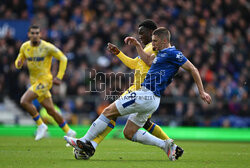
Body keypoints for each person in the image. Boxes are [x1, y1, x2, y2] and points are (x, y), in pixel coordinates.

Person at [65, 27, 212, 161]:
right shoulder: (160, 54)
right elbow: (147, 59)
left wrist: (201, 91)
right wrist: (137, 45)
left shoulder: (174, 53)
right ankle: (165, 145)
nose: (153, 44)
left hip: (145, 95)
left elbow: (193, 69)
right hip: (152, 100)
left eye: (155, 41)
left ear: (165, 40)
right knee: (129, 133)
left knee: (108, 111)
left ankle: (84, 140)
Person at [78, 20, 182, 158]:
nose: (139, 36)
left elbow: (150, 62)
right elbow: (134, 64)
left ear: (151, 33)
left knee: (111, 113)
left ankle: (92, 144)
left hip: (142, 90)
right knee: (136, 124)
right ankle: (170, 145)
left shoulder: (153, 48)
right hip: (141, 91)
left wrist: (136, 46)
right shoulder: (148, 48)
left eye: (142, 33)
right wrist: (119, 53)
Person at [15, 25, 76, 140]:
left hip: (45, 81)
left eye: (37, 33)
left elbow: (63, 58)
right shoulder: (25, 47)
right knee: (51, 110)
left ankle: (41, 125)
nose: (34, 35)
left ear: (40, 35)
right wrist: (18, 63)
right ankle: (69, 132)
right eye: (32, 33)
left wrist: (59, 77)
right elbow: (19, 59)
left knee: (24, 101)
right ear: (28, 34)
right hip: (34, 82)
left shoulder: (47, 47)